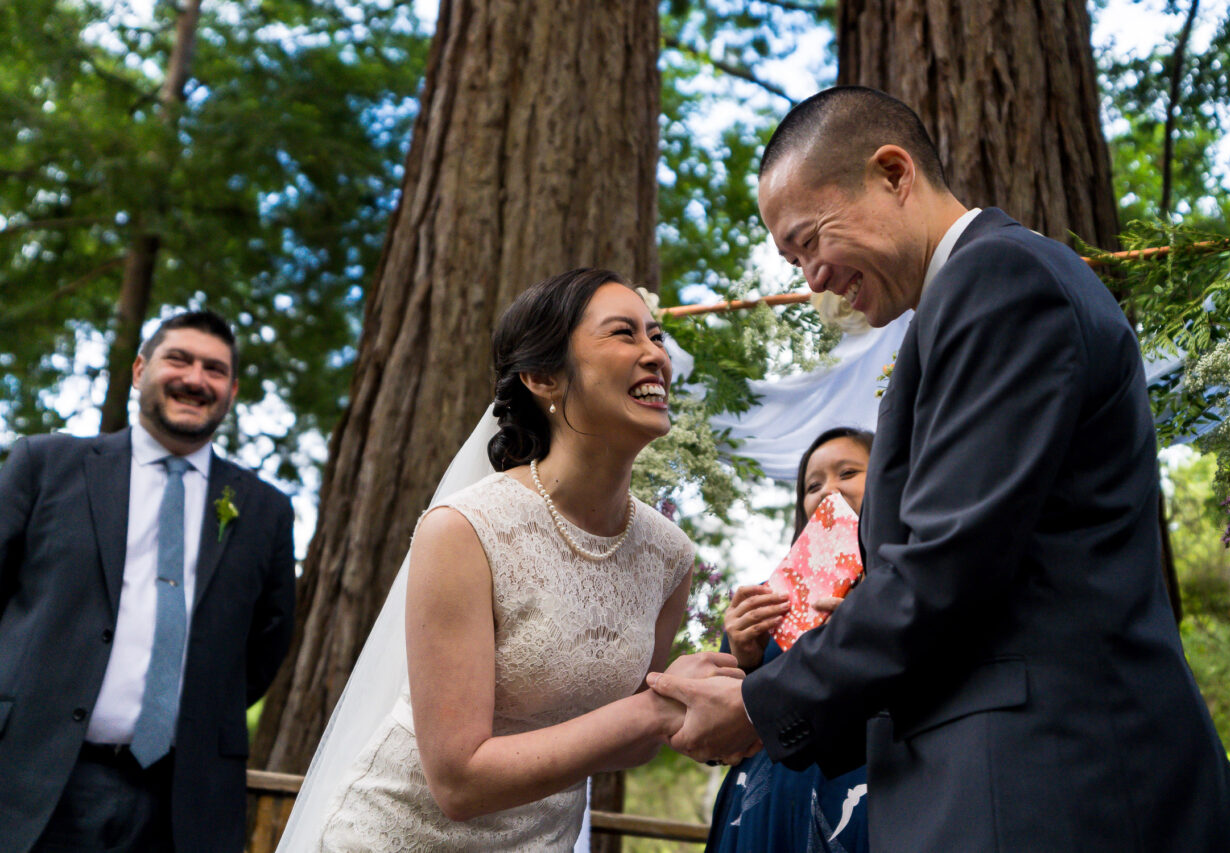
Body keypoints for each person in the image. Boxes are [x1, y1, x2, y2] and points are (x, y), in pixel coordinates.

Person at [649, 86, 1230, 851]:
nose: (809, 277)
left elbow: (945, 565)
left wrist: (760, 703)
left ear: (894, 173)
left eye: (809, 240)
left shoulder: (1001, 280)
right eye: (793, 257)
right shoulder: (960, 303)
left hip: (1046, 779)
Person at [283, 268, 739, 852]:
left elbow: (632, 742)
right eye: (625, 334)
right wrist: (655, 708)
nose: (656, 355)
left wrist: (691, 697)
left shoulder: (669, 555)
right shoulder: (465, 530)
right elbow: (458, 780)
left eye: (656, 336)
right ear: (543, 377)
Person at [0, 310, 297, 853]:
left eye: (214, 369)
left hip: (185, 804)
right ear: (140, 370)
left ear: (231, 391)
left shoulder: (265, 511)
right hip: (31, 780)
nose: (194, 379)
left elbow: (264, 647)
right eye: (177, 359)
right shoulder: (44, 465)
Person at [706, 427, 873, 853]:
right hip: (762, 806)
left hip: (865, 796)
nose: (827, 491)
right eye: (812, 485)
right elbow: (718, 738)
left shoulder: (903, 590)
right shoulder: (769, 599)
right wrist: (743, 656)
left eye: (847, 473)